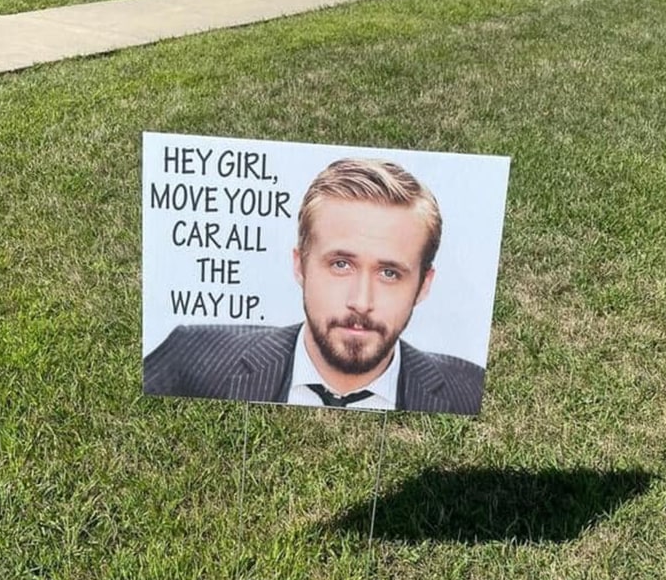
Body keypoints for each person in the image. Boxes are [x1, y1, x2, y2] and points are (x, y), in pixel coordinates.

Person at [144, 158, 485, 413]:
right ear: (300, 266)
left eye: (389, 273)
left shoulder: (469, 391)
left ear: (424, 285)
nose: (361, 302)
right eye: (341, 265)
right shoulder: (188, 359)